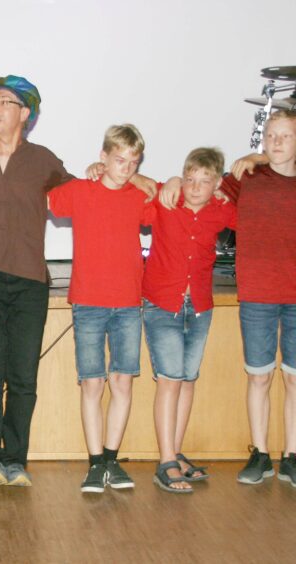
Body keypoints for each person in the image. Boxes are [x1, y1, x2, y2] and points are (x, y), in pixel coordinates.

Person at [0, 76, 156, 487]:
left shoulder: (42, 160)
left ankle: (15, 460)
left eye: (4, 102)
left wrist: (130, 176)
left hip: (28, 281)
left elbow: (92, 188)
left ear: (25, 113)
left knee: (23, 377)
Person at [167, 110, 296, 486]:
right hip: (257, 294)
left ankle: (292, 456)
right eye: (270, 135)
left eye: (285, 136)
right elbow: (201, 187)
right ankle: (260, 454)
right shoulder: (246, 176)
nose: (275, 142)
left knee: (293, 381)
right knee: (259, 378)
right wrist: (174, 178)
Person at [48, 124, 155, 493]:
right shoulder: (80, 190)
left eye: (133, 163)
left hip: (128, 303)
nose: (126, 168)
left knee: (122, 381)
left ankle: (112, 459)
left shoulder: (139, 196)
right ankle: (95, 463)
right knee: (92, 383)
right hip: (89, 302)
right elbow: (43, 198)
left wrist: (141, 179)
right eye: (119, 160)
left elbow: (168, 195)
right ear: (103, 156)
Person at [143, 148, 236, 493]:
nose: (195, 187)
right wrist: (170, 181)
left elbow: (254, 215)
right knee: (169, 380)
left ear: (217, 184)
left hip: (199, 306)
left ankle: (176, 453)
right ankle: (166, 461)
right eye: (189, 178)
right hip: (162, 304)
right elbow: (133, 183)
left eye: (204, 181)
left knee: (187, 380)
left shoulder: (221, 209)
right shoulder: (166, 199)